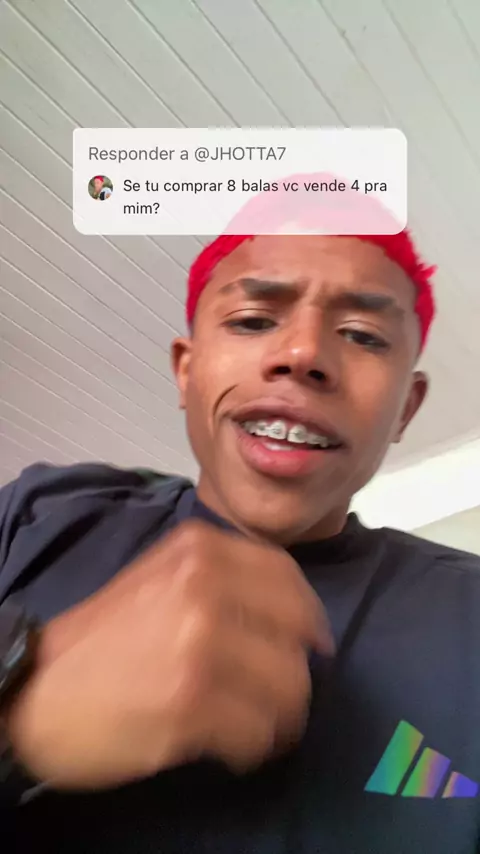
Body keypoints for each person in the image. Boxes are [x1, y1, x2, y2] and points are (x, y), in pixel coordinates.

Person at [1, 197, 480, 853]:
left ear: (406, 410)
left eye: (364, 336)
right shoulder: (37, 513)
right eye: (253, 320)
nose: (304, 353)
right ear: (187, 370)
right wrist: (21, 714)